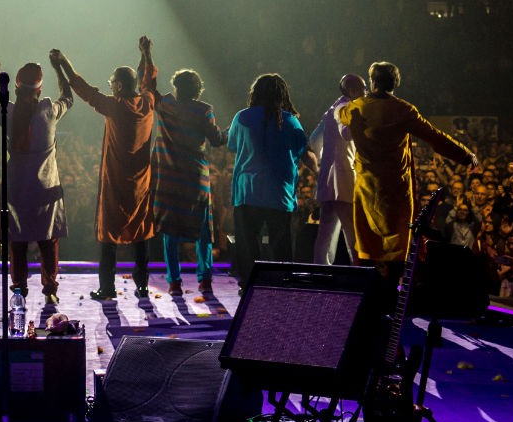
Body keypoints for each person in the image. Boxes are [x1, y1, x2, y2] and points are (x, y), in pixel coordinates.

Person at [338, 61, 476, 271]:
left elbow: (341, 114)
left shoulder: (356, 107)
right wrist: (465, 155)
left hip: (365, 189)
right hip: (395, 192)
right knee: (395, 254)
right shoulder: (403, 110)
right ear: (395, 83)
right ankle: (393, 299)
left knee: (367, 251)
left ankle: (368, 299)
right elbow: (434, 137)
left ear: (373, 82)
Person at [54, 40, 157, 300]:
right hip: (141, 182)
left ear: (119, 86)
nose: (109, 85)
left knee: (108, 234)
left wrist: (64, 62)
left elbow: (86, 91)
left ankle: (107, 287)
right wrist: (146, 54)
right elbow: (145, 81)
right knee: (141, 233)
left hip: (116, 182)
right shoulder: (147, 103)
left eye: (112, 82)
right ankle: (142, 286)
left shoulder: (115, 106)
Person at [0, 55, 73, 305]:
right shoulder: (48, 110)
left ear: (16, 87)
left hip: (16, 188)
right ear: (40, 88)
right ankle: (50, 289)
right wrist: (58, 68)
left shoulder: (8, 112)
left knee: (18, 242)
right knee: (48, 241)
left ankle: (19, 290)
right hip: (45, 187)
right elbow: (68, 97)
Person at [145, 40, 227, 296]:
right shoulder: (204, 111)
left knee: (170, 229)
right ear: (198, 90)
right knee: (203, 228)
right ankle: (204, 279)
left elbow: (147, 85)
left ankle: (175, 282)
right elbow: (216, 139)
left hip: (169, 177)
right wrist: (231, 131)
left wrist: (147, 53)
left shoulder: (165, 105)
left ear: (176, 87)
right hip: (195, 177)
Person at [227, 73, 317, 287]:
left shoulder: (242, 117)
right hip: (279, 192)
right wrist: (320, 173)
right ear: (282, 95)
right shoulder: (290, 120)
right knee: (281, 245)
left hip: (247, 191)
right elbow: (306, 154)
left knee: (248, 245)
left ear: (255, 93)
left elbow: (232, 146)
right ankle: (281, 284)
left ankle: (249, 286)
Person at [309, 73, 365, 265]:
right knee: (351, 229)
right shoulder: (347, 108)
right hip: (343, 177)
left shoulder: (331, 109)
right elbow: (347, 133)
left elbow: (314, 139)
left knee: (326, 230)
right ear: (353, 90)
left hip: (327, 178)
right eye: (363, 88)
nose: (366, 93)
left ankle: (321, 270)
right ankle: (360, 272)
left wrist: (322, 163)